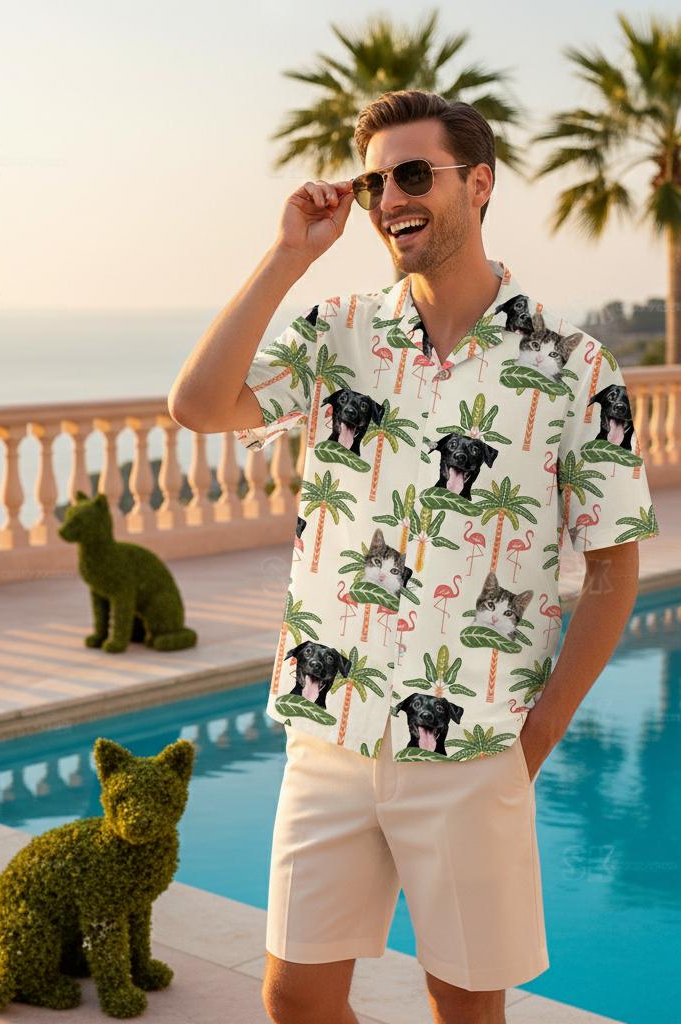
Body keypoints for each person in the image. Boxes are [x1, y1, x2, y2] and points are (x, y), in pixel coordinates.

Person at [168, 89, 658, 1024]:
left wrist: (530, 744)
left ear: (478, 184)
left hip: (474, 747)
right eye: (376, 178)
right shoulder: (338, 334)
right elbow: (198, 405)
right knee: (295, 1002)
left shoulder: (573, 369)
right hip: (329, 726)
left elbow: (612, 571)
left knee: (464, 1010)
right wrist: (285, 256)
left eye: (413, 173)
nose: (391, 195)